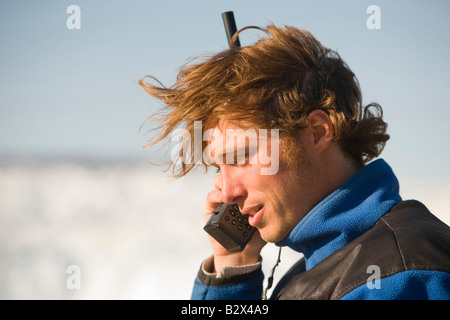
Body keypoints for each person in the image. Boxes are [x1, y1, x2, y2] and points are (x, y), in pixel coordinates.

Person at [139, 24, 450, 300]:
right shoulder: (323, 268)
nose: (225, 192)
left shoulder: (393, 276)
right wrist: (232, 270)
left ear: (316, 133)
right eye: (219, 167)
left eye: (242, 157)